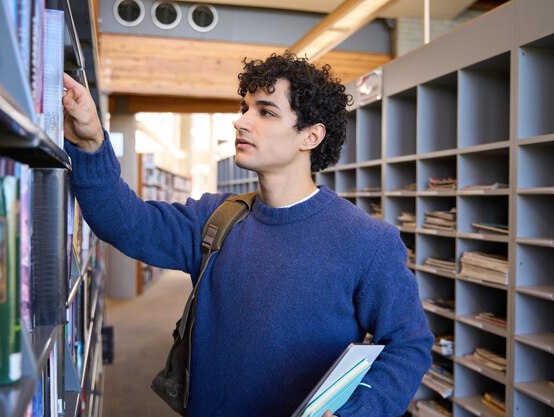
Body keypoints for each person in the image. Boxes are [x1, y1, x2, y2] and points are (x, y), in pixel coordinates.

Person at [62, 52, 433, 417]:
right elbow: (127, 224)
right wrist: (91, 144)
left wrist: (359, 411)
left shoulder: (367, 241)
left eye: (266, 111)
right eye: (245, 108)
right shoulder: (216, 217)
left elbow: (408, 343)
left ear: (310, 136)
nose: (241, 122)